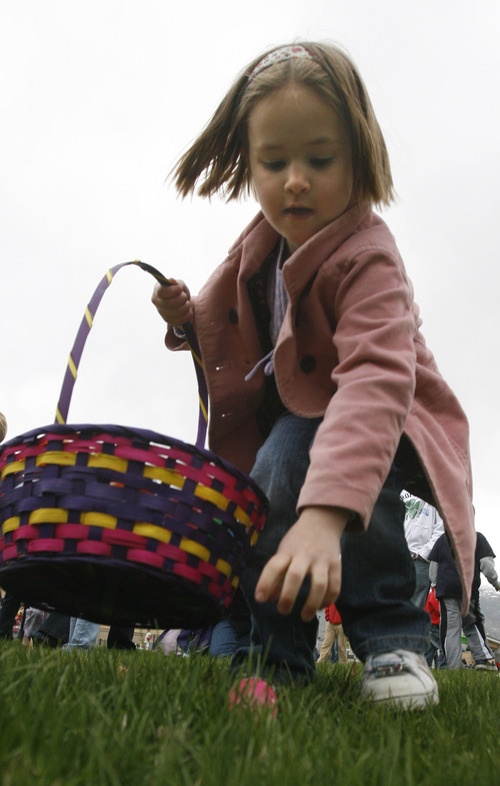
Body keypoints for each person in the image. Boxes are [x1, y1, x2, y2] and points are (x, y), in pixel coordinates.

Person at [152, 42, 475, 710]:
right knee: (269, 490)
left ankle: (393, 641)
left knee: (360, 506)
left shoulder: (367, 256)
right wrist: (186, 322)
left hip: (371, 413)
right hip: (293, 419)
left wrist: (326, 516)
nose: (295, 180)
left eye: (319, 160)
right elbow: (232, 325)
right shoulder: (259, 245)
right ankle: (275, 658)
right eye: (274, 162)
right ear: (248, 163)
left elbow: (378, 380)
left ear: (358, 156)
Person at [429, 531, 499, 670]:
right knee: (472, 622)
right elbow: (486, 564)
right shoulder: (477, 537)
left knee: (450, 629)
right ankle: (484, 660)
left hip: (446, 590)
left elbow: (433, 566)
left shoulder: (443, 538)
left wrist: (435, 584)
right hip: (468, 589)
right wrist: (495, 582)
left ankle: (453, 667)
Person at [401, 492, 444, 608]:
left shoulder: (438, 494)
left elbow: (441, 530)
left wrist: (423, 554)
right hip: (397, 556)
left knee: (414, 605)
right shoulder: (401, 490)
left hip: (419, 560)